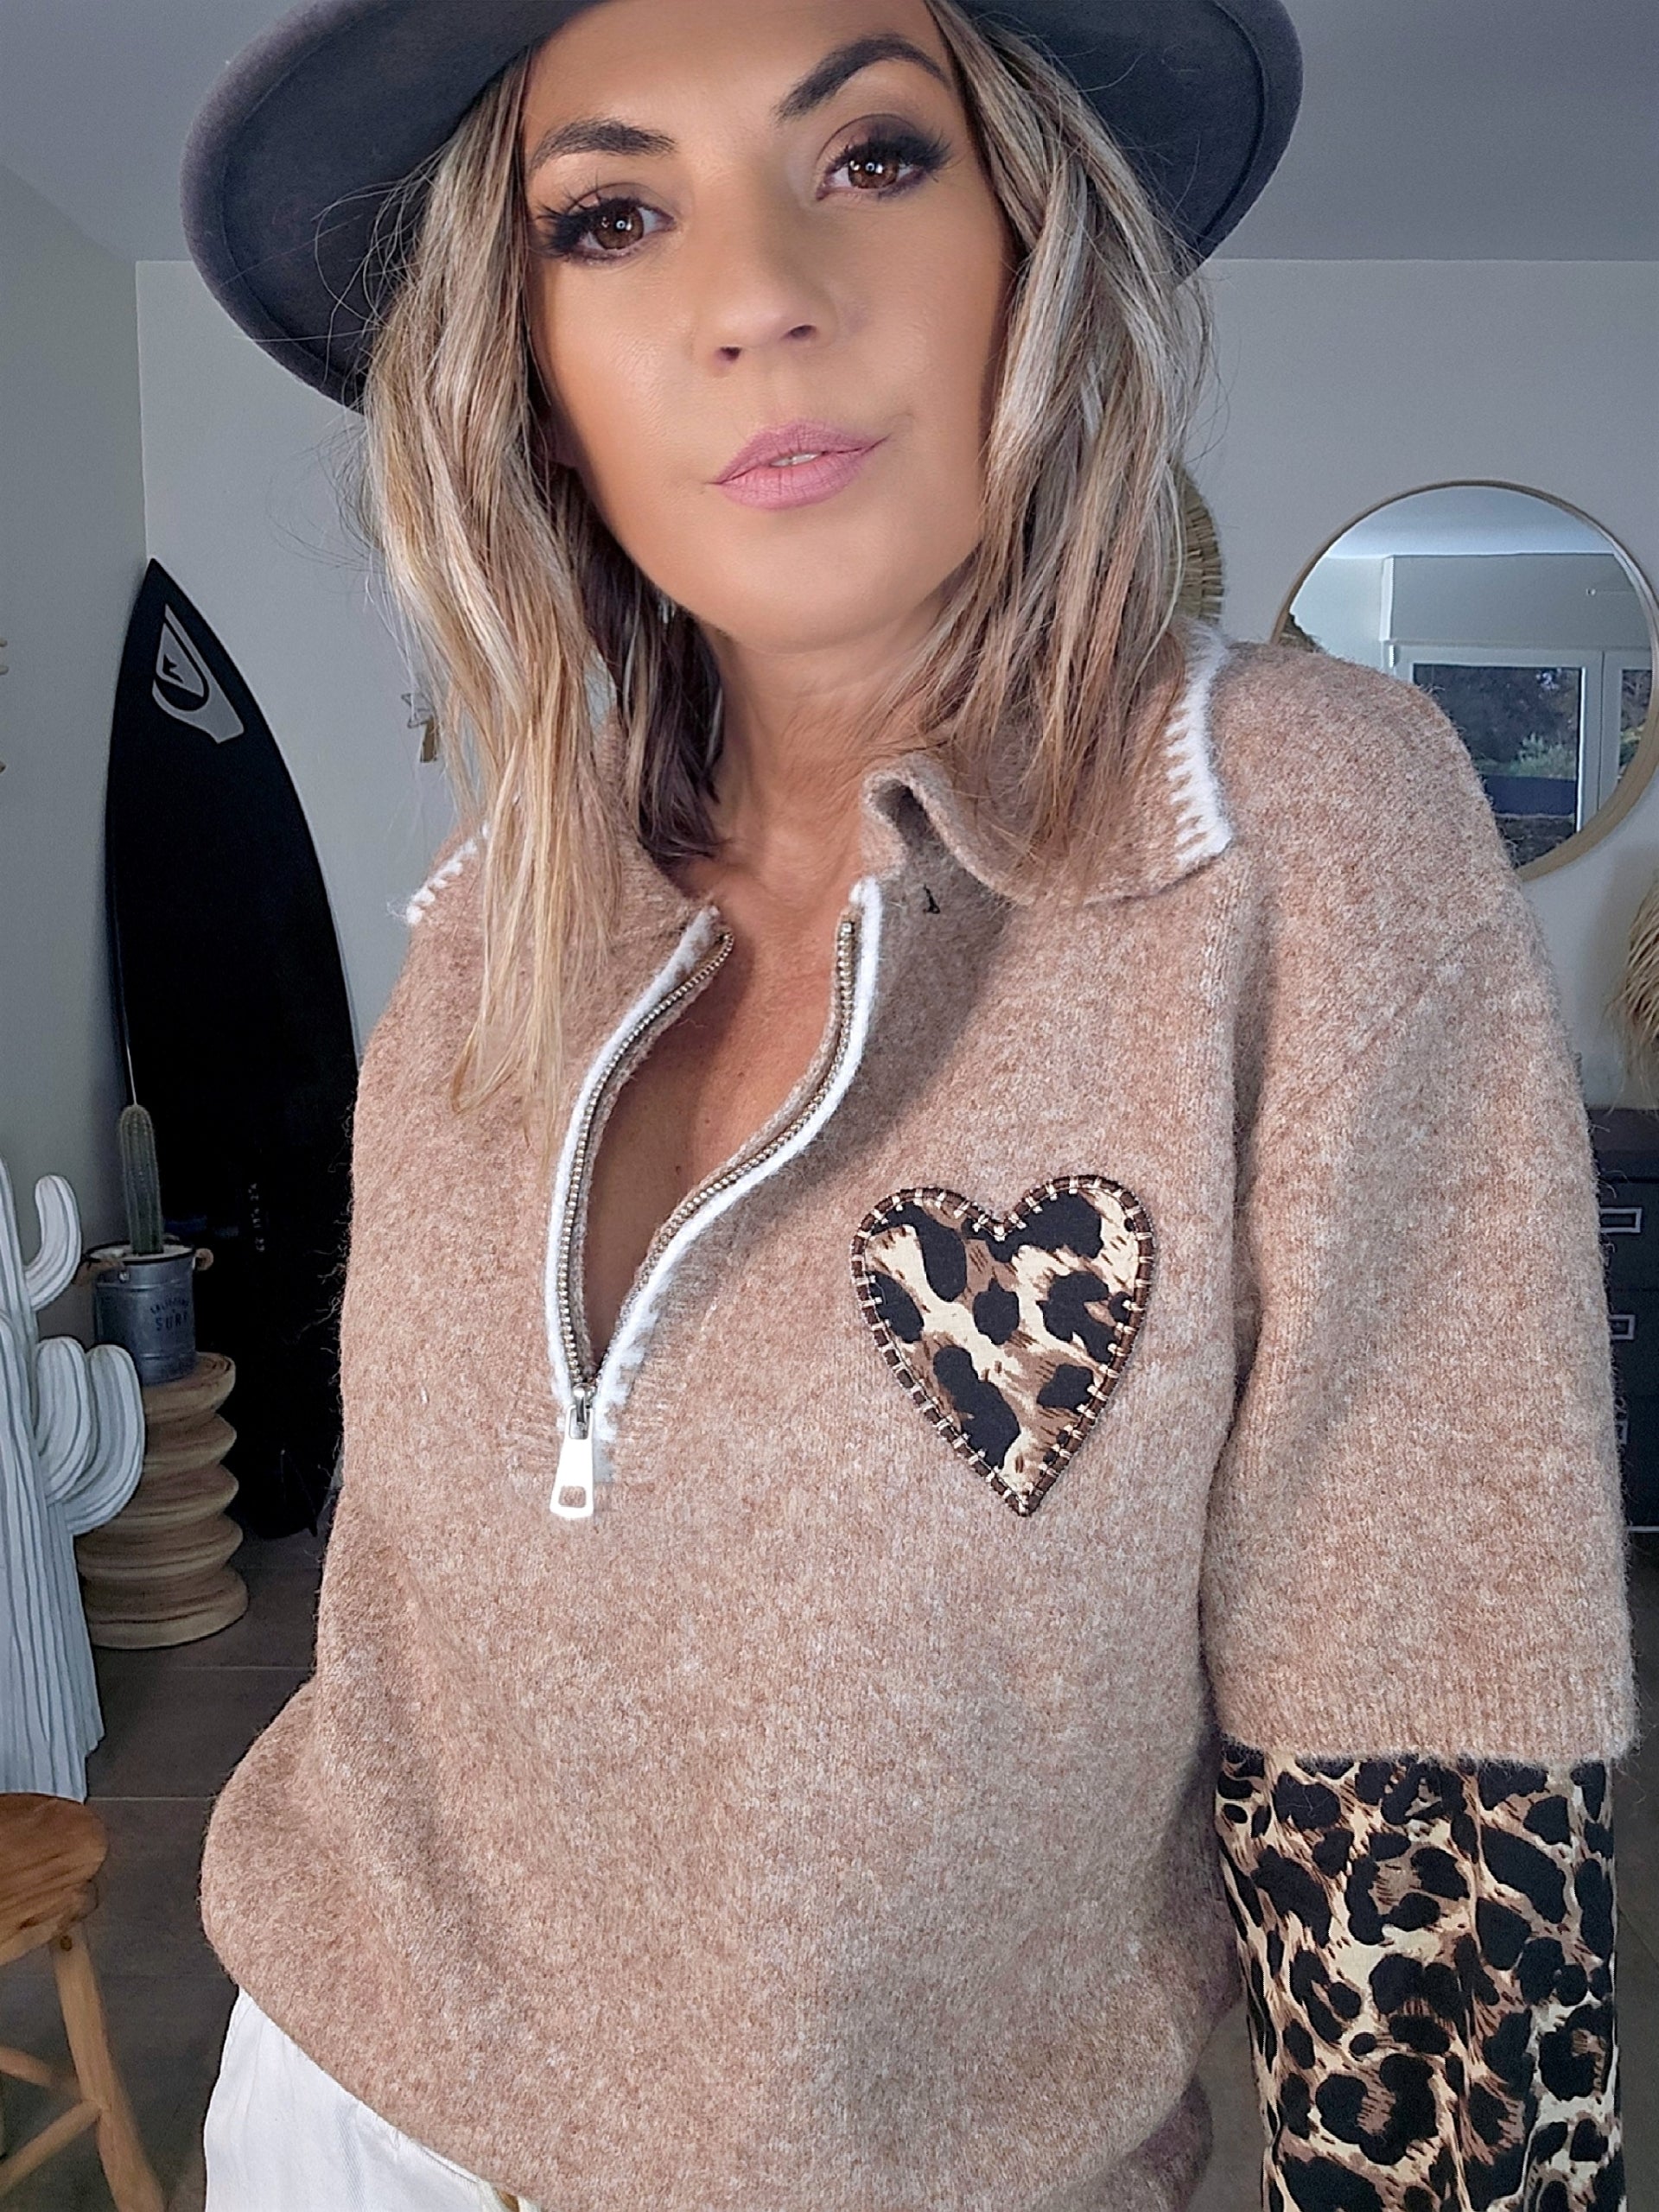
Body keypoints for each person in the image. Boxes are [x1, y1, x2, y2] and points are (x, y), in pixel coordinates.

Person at [181, 0, 1638, 2206]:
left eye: (872, 155)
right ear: (533, 380)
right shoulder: (498, 903)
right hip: (328, 2100)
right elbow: (409, 1602)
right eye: (612, 217)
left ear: (1030, 247)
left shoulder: (1298, 828)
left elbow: (1427, 1727)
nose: (759, 293)